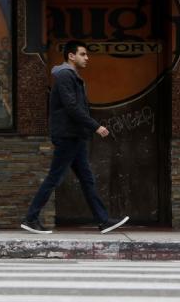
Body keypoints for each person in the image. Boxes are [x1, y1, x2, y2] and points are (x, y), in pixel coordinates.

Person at [21, 40, 129, 235]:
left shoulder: (72, 76)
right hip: (68, 135)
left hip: (76, 136)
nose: (87, 58)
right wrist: (95, 126)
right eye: (83, 54)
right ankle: (31, 218)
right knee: (54, 178)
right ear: (71, 56)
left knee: (87, 179)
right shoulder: (65, 75)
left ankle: (103, 220)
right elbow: (71, 106)